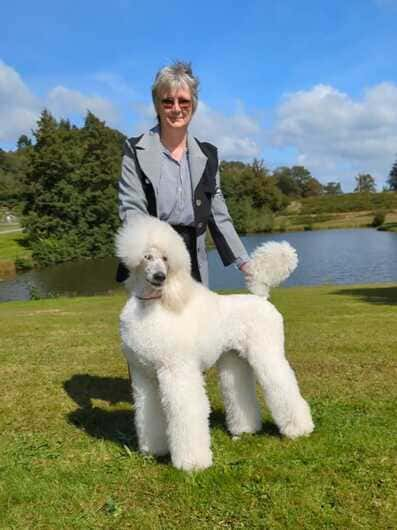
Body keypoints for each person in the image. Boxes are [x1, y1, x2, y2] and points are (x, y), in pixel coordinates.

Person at [117, 61, 250, 286]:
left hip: (193, 262)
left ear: (194, 105)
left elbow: (218, 215)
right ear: (156, 105)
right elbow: (131, 208)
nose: (176, 108)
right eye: (167, 101)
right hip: (152, 258)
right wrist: (156, 255)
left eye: (184, 101)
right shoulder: (134, 149)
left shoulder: (208, 156)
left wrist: (245, 263)